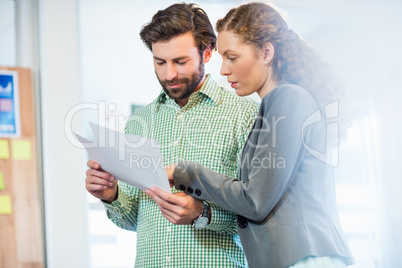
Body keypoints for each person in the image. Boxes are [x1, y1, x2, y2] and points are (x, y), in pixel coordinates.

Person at [146, 2, 355, 268]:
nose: (223, 70)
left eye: (232, 57)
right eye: (222, 58)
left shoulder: (288, 98)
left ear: (266, 52)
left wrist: (183, 172)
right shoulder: (277, 104)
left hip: (304, 257)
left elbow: (255, 200)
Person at [85, 3, 258, 267]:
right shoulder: (139, 122)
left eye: (180, 61)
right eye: (160, 62)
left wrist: (203, 213)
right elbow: (134, 219)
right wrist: (111, 194)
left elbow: (259, 214)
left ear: (208, 53)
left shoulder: (244, 114)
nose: (170, 74)